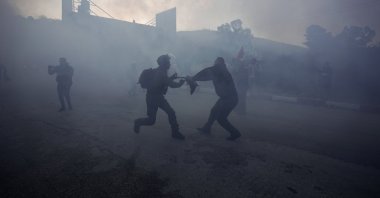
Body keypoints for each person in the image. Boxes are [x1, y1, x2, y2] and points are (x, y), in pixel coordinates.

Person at [188, 57, 241, 141]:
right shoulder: (221, 70)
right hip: (227, 98)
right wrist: (194, 78)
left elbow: (206, 73)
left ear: (218, 63)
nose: (214, 64)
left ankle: (235, 133)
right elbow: (207, 74)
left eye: (215, 62)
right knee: (214, 111)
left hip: (229, 99)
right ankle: (207, 128)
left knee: (221, 118)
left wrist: (194, 78)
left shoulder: (219, 70)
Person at [134, 55, 186, 140]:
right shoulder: (161, 73)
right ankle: (138, 122)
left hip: (156, 97)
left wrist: (171, 78)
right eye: (168, 62)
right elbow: (171, 84)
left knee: (170, 113)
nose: (169, 64)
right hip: (154, 98)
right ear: (164, 63)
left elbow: (163, 82)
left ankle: (175, 132)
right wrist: (180, 83)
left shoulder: (160, 71)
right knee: (152, 120)